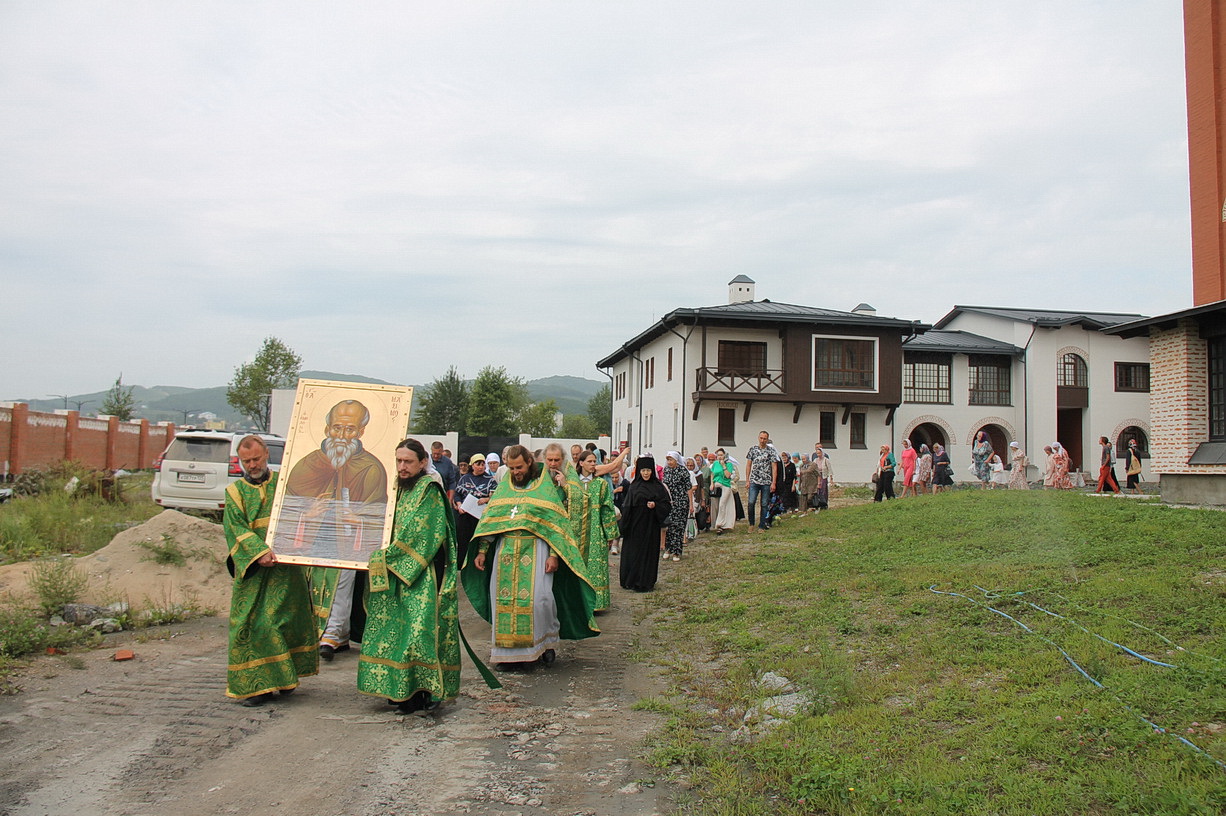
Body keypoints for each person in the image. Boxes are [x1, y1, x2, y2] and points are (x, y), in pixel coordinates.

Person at [462, 446, 598, 668]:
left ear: (529, 463)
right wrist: (482, 551)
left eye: (520, 467)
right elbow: (493, 519)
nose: (516, 472)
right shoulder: (506, 485)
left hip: (537, 549)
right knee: (502, 601)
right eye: (512, 468)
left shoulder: (543, 486)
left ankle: (544, 646)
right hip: (505, 551)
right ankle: (507, 654)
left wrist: (554, 555)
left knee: (539, 601)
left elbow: (556, 524)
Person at [357, 439, 460, 715]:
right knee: (394, 633)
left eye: (408, 462)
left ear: (423, 462)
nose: (402, 467)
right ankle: (397, 690)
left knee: (417, 635)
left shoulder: (430, 491)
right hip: (391, 575)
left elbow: (425, 534)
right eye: (399, 461)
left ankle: (422, 692)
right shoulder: (395, 489)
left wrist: (385, 559)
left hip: (419, 574)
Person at [280, 400, 389, 660]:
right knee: (311, 582)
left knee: (342, 581)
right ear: (327, 428)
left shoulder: (371, 468)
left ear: (361, 432)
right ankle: (324, 634)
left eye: (350, 430)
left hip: (348, 541)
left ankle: (331, 633)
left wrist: (358, 520)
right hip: (312, 538)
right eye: (337, 428)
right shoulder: (307, 465)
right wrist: (306, 515)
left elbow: (378, 511)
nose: (342, 436)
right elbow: (289, 503)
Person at [224, 435, 318, 706]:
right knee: (252, 624)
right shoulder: (234, 492)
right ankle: (258, 686)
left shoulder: (284, 483)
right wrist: (258, 551)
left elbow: (302, 513)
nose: (252, 465)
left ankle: (284, 677)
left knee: (284, 621)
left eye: (256, 459)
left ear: (266, 454)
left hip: (286, 568)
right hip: (254, 571)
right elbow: (235, 529)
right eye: (246, 461)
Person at [618, 456, 671, 592]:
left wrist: (656, 505)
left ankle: (645, 581)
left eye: (648, 470)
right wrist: (624, 526)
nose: (646, 473)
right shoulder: (634, 486)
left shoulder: (658, 487)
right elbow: (628, 507)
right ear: (639, 471)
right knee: (634, 552)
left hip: (651, 526)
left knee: (649, 553)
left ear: (652, 471)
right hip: (635, 526)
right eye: (643, 470)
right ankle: (632, 579)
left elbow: (666, 505)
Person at [576, 450, 619, 610]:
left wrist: (610, 535)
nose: (594, 464)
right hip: (576, 533)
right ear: (581, 463)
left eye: (595, 461)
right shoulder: (573, 485)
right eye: (590, 461)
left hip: (595, 532)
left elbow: (607, 509)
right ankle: (578, 603)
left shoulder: (601, 484)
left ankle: (595, 604)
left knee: (595, 567)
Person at [454, 453, 497, 568]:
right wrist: (459, 505)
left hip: (480, 516)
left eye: (483, 464)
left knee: (478, 542)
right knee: (463, 542)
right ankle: (461, 566)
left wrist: (486, 499)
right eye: (478, 464)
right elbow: (457, 494)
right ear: (472, 465)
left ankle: (478, 563)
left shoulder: (490, 480)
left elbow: (495, 497)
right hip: (465, 515)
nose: (481, 467)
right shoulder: (464, 479)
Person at [744, 431, 780, 531]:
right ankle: (751, 523)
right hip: (754, 480)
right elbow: (748, 465)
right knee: (751, 502)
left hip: (766, 481)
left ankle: (762, 525)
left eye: (764, 438)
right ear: (758, 438)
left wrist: (774, 482)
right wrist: (747, 480)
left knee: (764, 504)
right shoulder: (753, 449)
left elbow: (774, 467)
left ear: (767, 439)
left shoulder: (771, 451)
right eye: (761, 438)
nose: (762, 440)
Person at [661, 452, 692, 561]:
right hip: (669, 502)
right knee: (669, 525)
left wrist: (691, 504)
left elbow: (689, 488)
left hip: (681, 502)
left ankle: (677, 551)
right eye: (668, 460)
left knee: (678, 526)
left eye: (671, 460)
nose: (669, 462)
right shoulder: (666, 470)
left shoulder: (683, 471)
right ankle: (668, 548)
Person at [710, 448, 737, 533]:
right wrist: (712, 483)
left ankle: (720, 524)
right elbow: (712, 474)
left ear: (724, 455)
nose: (720, 457)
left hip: (725, 485)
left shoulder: (729, 464)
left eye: (721, 455)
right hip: (717, 485)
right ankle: (718, 523)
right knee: (716, 506)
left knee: (722, 504)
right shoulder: (715, 463)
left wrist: (724, 466)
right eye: (718, 455)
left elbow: (728, 476)